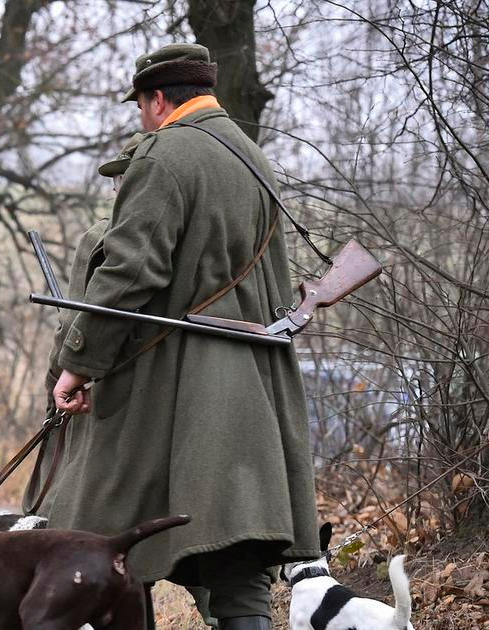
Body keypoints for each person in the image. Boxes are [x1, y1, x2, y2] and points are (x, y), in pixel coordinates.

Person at [49, 43, 319, 630]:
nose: (142, 118)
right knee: (234, 555)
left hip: (178, 392)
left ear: (157, 99)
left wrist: (79, 362)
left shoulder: (166, 154)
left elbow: (128, 274)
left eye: (141, 105)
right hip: (256, 390)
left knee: (100, 538)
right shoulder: (252, 158)